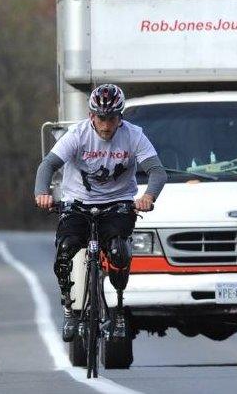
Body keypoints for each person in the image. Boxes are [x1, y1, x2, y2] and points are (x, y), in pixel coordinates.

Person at [34, 83, 167, 342]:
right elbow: (48, 165)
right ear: (91, 116)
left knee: (118, 250)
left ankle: (117, 308)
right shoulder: (78, 134)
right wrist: (42, 193)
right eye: (101, 119)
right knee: (66, 248)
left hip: (118, 204)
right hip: (78, 202)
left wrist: (148, 197)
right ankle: (69, 308)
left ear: (120, 118)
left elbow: (157, 171)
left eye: (112, 119)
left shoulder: (133, 135)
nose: (106, 126)